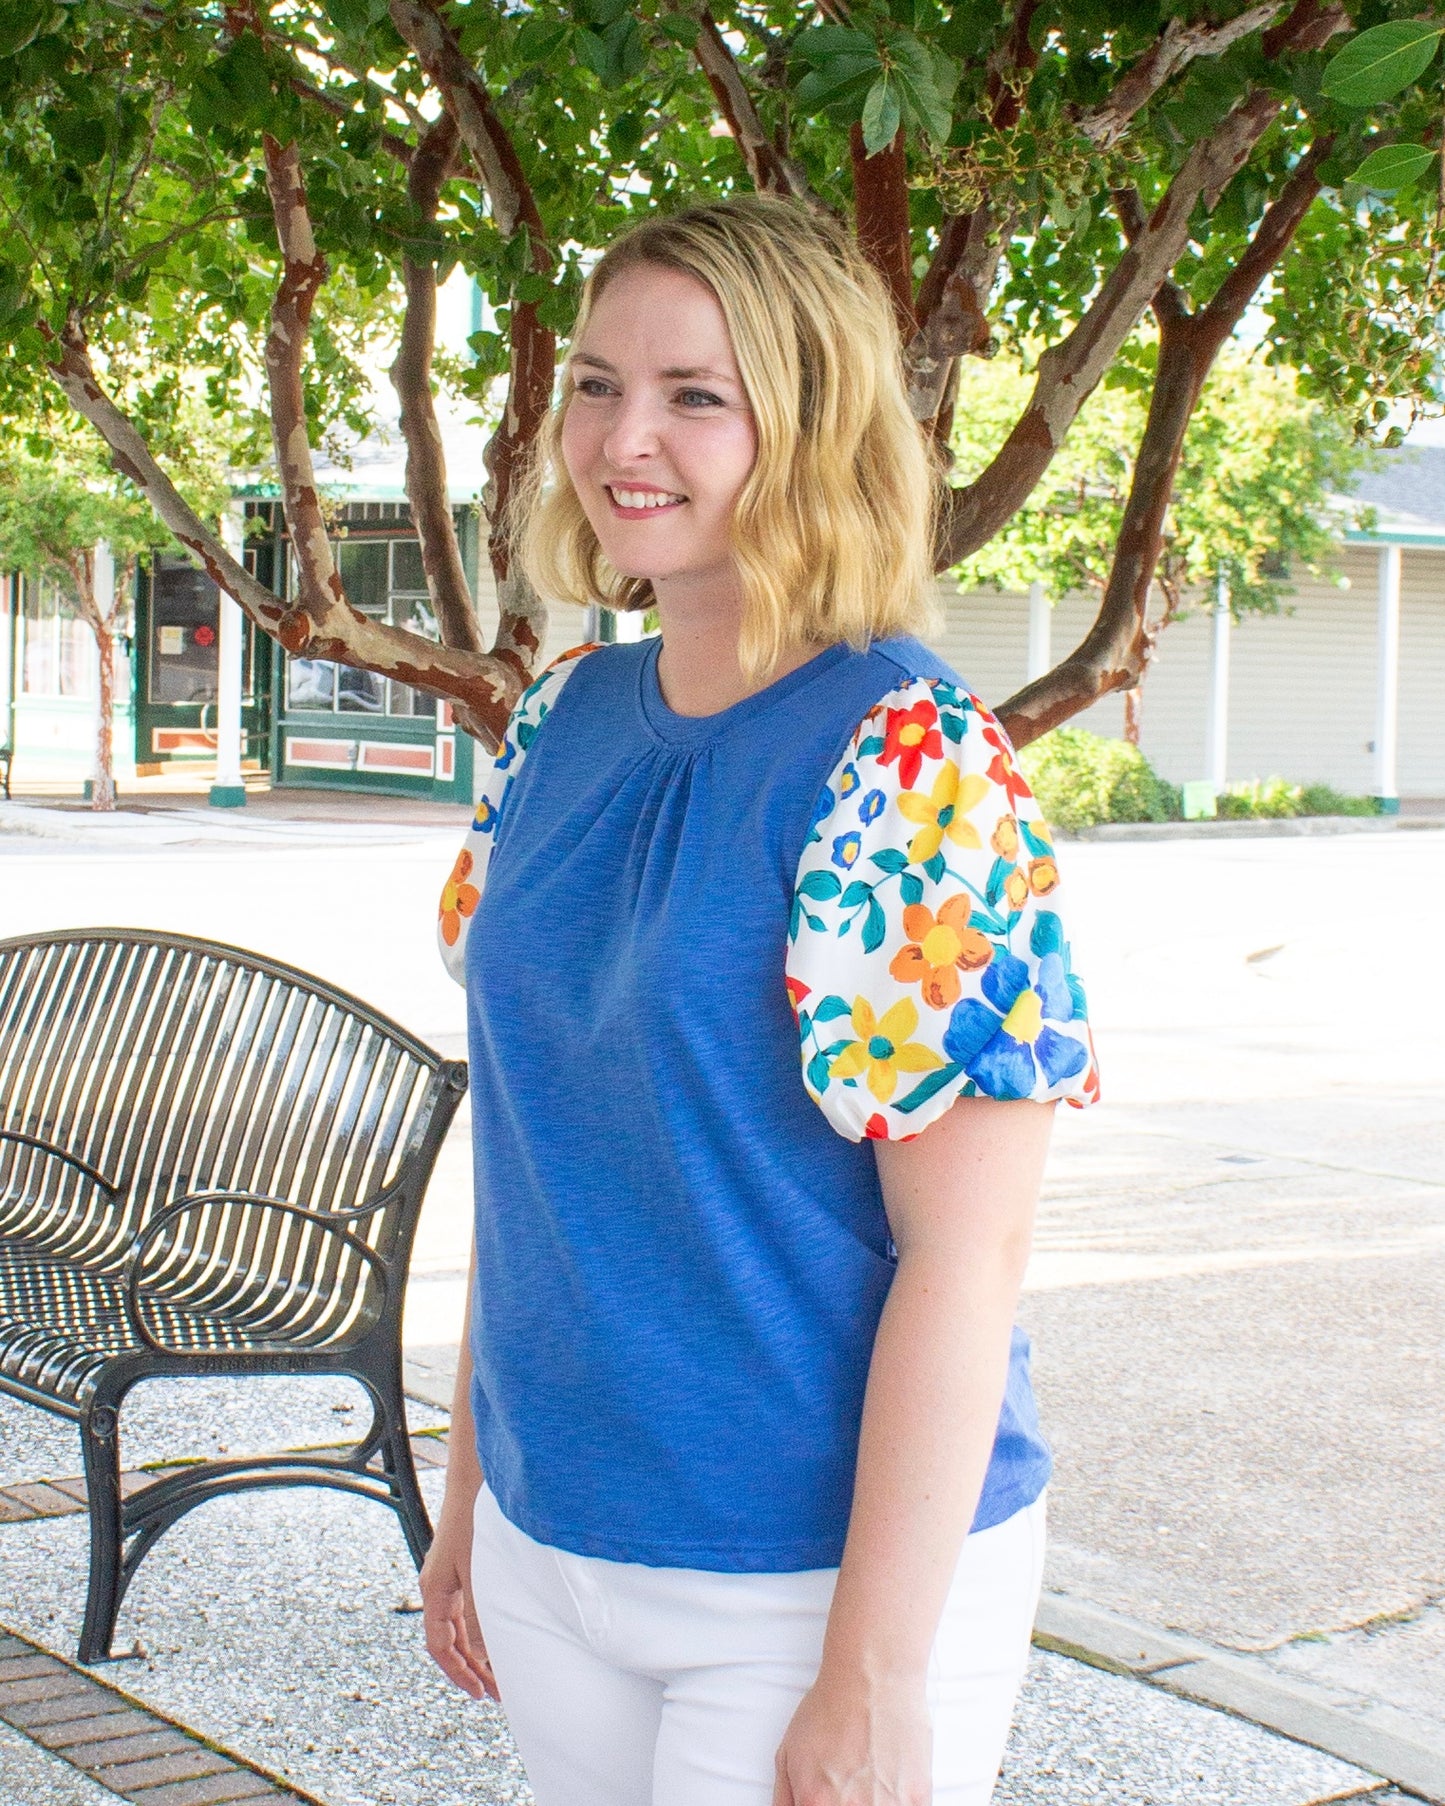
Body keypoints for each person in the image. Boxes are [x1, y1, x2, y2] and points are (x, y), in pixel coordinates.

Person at [428, 194, 1098, 1806]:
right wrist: (464, 1495)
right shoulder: (557, 722)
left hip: (802, 1590)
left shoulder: (908, 757)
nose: (621, 436)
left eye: (693, 394)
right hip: (550, 1532)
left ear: (806, 425)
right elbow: (533, 1153)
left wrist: (868, 1671)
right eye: (595, 383)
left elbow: (967, 1250)